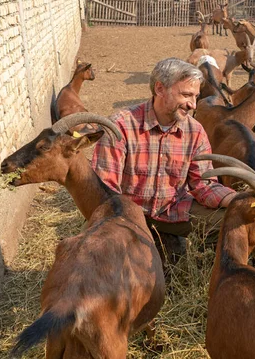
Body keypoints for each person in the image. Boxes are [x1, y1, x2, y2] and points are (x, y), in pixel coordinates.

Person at [92, 58, 237, 250]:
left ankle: (199, 268)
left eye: (196, 96)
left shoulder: (195, 131)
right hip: (126, 217)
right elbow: (105, 190)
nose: (193, 105)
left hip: (174, 212)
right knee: (92, 253)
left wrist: (237, 200)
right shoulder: (121, 126)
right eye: (186, 95)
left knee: (232, 223)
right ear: (160, 89)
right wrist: (127, 225)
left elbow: (204, 185)